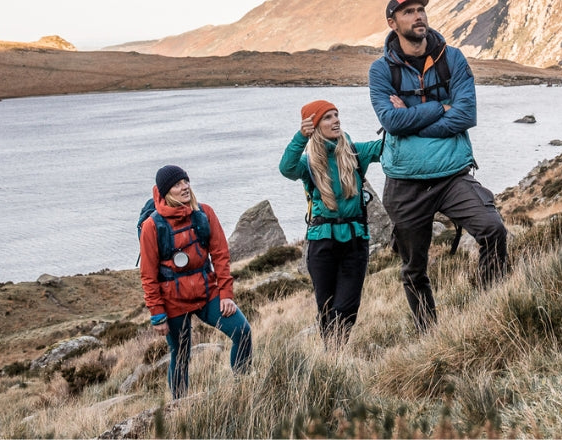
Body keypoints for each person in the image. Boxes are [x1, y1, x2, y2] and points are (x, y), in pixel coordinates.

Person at [368, 0, 508, 332]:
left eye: (421, 10)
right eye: (408, 12)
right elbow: (391, 121)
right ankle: (427, 333)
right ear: (393, 23)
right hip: (405, 183)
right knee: (414, 268)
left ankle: (495, 311)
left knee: (493, 230)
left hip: (452, 176)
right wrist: (438, 109)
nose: (418, 16)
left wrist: (414, 117)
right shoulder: (381, 70)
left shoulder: (453, 59)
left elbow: (466, 114)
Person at [139, 164, 252, 398]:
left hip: (207, 292)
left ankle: (243, 387)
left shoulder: (204, 213)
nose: (185, 187)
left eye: (186, 182)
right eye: (177, 185)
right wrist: (157, 314)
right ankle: (179, 407)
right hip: (173, 302)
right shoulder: (152, 226)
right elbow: (148, 275)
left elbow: (220, 255)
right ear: (166, 192)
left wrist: (226, 294)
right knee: (180, 354)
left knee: (242, 331)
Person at [279, 100, 382, 346]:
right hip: (321, 242)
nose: (335, 120)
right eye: (327, 117)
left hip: (355, 240)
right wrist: (300, 137)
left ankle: (333, 350)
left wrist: (400, 115)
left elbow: (387, 147)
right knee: (326, 308)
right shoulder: (308, 162)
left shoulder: (356, 152)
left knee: (347, 307)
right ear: (314, 126)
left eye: (336, 115)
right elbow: (286, 168)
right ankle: (333, 358)